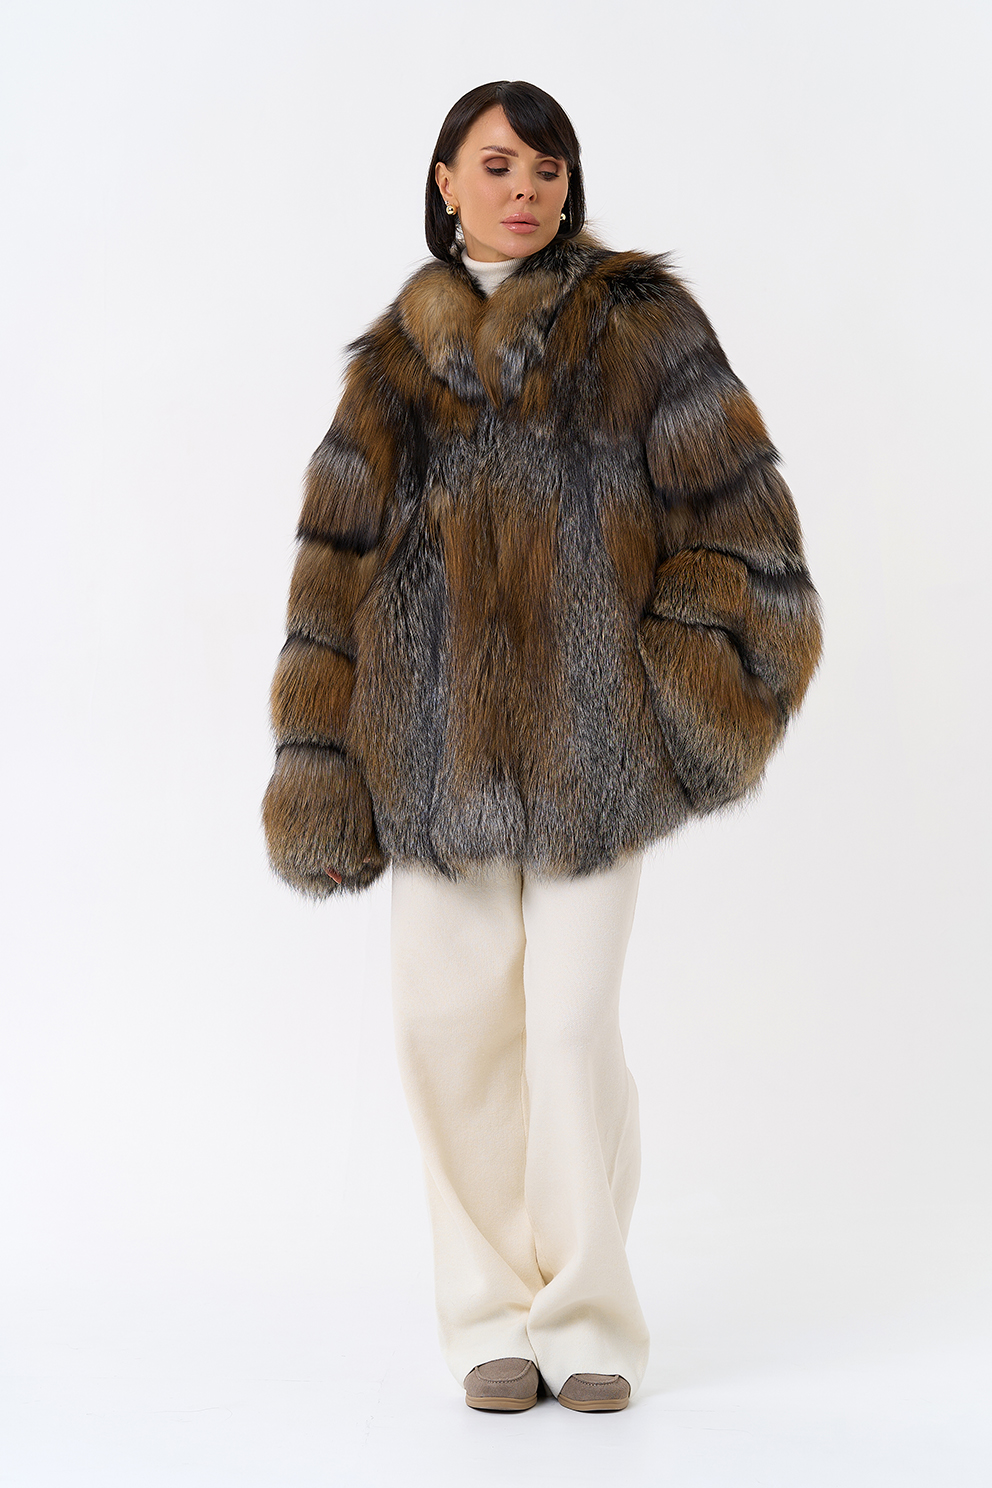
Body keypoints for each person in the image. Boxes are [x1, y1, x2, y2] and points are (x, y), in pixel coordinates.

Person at [261, 79, 822, 1413]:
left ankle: (589, 1317)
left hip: (594, 761)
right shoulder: (390, 364)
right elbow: (331, 571)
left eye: (548, 167)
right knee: (449, 1031)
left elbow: (744, 532)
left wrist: (667, 696)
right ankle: (488, 1318)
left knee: (568, 1032)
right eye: (498, 163)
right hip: (430, 760)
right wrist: (321, 772)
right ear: (445, 181)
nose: (525, 188)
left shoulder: (642, 325)